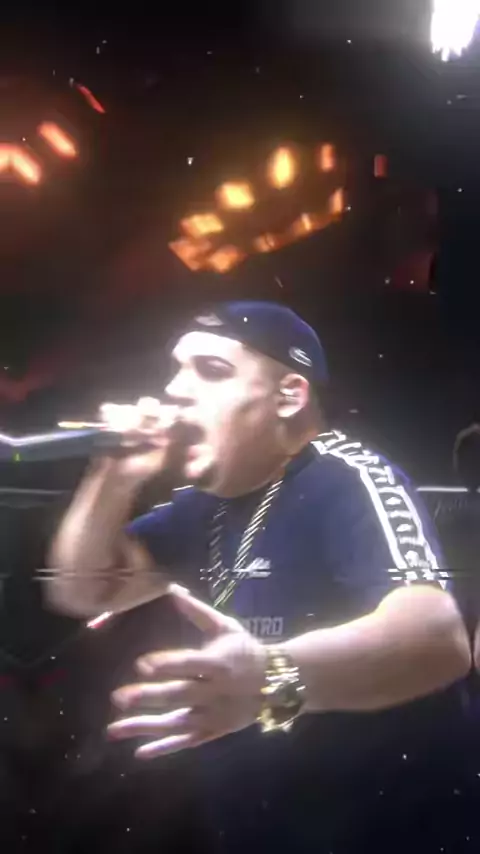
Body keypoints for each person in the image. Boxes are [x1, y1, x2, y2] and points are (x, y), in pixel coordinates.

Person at [47, 301, 471, 852]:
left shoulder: (345, 476)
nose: (174, 389)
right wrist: (112, 478)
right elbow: (83, 588)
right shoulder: (203, 507)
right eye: (175, 369)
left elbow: (438, 638)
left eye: (211, 370)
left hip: (388, 830)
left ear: (288, 396)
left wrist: (271, 678)